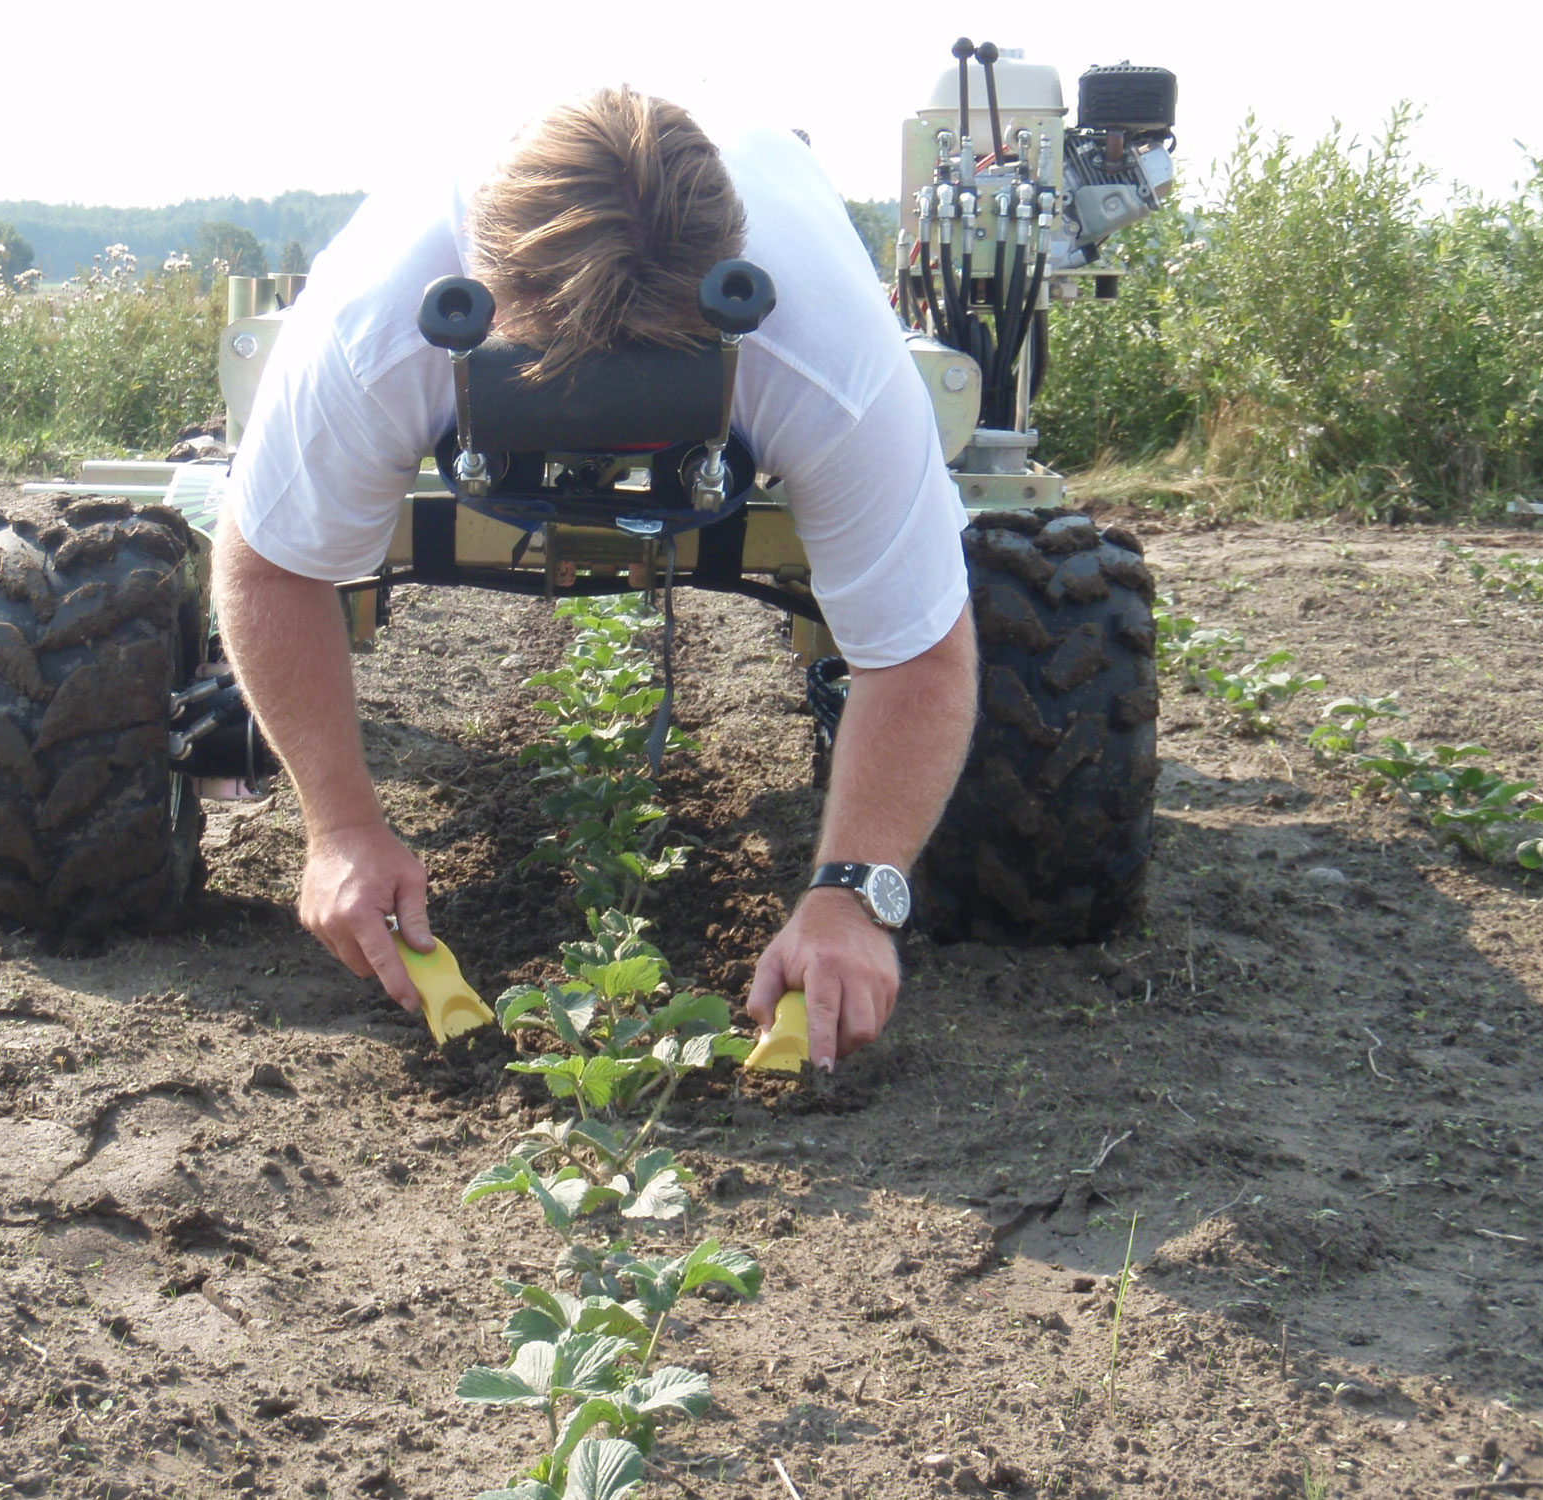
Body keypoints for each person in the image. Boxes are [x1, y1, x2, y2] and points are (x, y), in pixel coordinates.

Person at [213, 88, 978, 1071]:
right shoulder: (375, 325)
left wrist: (851, 894)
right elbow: (269, 563)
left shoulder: (824, 353)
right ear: (474, 296)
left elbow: (918, 651)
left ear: (728, 298)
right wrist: (340, 823)